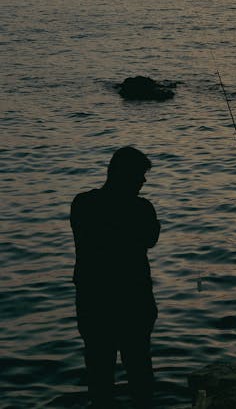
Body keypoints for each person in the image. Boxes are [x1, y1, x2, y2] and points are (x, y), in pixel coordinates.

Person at [71, 147, 160, 408]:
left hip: (93, 301)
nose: (143, 181)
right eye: (140, 175)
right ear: (125, 174)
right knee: (140, 371)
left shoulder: (83, 203)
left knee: (99, 375)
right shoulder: (141, 208)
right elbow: (150, 239)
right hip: (134, 301)